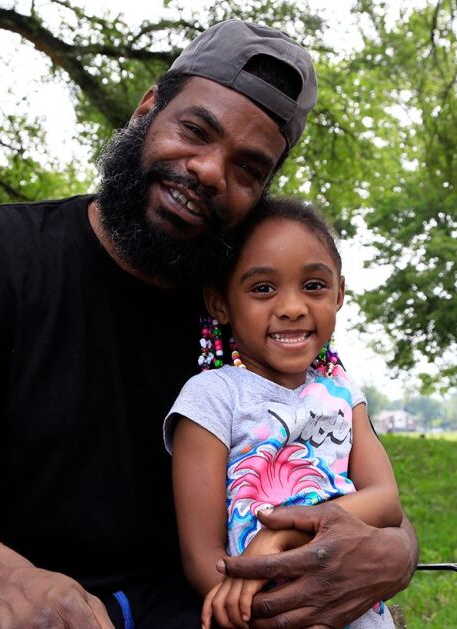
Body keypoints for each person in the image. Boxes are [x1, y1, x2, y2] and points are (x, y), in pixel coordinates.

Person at [0, 19, 418, 628]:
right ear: (147, 111)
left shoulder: (253, 311)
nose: (210, 171)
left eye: (248, 168)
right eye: (195, 130)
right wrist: (3, 582)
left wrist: (398, 553)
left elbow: (348, 466)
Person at [165, 198, 402, 629]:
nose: (293, 307)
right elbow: (201, 558)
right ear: (219, 302)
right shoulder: (211, 399)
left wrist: (280, 534)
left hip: (358, 610)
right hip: (262, 614)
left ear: (340, 294)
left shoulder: (344, 394)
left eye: (313, 286)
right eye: (262, 288)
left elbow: (385, 501)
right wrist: (258, 610)